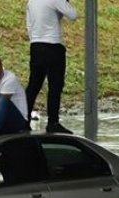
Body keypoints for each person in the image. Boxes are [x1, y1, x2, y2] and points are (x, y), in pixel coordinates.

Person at [25, 0, 78, 134]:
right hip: (53, 45)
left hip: (36, 45)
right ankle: (52, 122)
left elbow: (29, 25)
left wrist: (34, 40)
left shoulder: (31, 2)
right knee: (55, 86)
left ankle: (23, 120)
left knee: (34, 85)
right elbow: (73, 15)